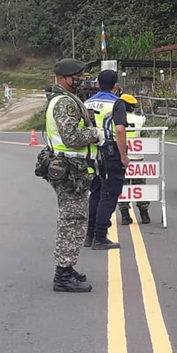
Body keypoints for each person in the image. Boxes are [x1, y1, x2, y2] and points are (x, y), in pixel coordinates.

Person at [42, 59, 105, 293]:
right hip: (70, 171)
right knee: (72, 221)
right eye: (78, 76)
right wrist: (95, 133)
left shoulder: (64, 99)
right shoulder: (64, 103)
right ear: (64, 78)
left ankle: (67, 268)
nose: (82, 80)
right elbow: (71, 137)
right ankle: (63, 275)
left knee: (74, 219)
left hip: (72, 169)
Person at [83, 70, 130, 250]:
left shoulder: (87, 102)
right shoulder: (117, 103)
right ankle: (100, 237)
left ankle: (89, 234)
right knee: (110, 194)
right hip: (109, 152)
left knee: (95, 192)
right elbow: (119, 130)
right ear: (116, 86)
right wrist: (123, 156)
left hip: (91, 153)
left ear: (97, 84)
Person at [118, 94, 151, 225]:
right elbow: (146, 138)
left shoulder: (116, 119)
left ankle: (125, 215)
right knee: (139, 187)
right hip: (137, 159)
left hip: (121, 158)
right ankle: (144, 215)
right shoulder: (139, 119)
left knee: (122, 187)